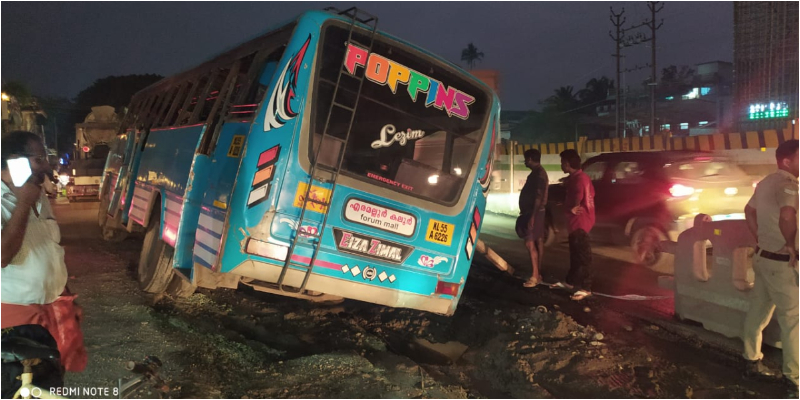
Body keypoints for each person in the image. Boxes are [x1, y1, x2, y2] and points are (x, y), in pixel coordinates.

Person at [1, 130, 87, 373]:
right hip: (16, 322)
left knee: (52, 382)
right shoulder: (17, 199)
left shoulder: (38, 195)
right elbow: (2, 256)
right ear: (15, 160)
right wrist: (23, 204)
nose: (46, 166)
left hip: (53, 311)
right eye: (39, 159)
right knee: (23, 387)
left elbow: (51, 251)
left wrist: (64, 294)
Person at [742, 139, 798, 392]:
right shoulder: (788, 185)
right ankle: (794, 379)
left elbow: (748, 210)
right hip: (780, 263)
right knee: (793, 320)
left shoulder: (765, 182)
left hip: (763, 257)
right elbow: (788, 215)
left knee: (758, 312)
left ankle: (751, 360)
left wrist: (760, 239)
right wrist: (790, 246)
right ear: (787, 161)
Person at [550, 149, 595, 301]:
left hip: (579, 223)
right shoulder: (583, 177)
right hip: (580, 222)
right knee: (576, 255)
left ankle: (586, 288)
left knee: (583, 257)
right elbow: (591, 195)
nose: (561, 165)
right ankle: (570, 282)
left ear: (568, 164)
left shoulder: (577, 180)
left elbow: (577, 198)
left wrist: (571, 207)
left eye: (562, 162)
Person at [517, 149, 549, 287]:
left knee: (530, 243)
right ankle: (538, 273)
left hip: (533, 212)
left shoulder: (539, 175)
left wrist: (532, 217)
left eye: (525, 159)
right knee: (538, 241)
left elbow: (538, 196)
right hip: (535, 212)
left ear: (530, 159)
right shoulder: (538, 173)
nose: (525, 161)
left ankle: (535, 276)